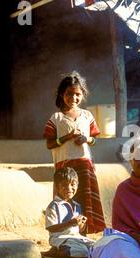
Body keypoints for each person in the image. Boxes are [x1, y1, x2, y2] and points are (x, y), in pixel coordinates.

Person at [43, 71, 105, 234]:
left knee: (84, 199)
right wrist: (67, 137)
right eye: (69, 94)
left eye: (77, 94)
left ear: (83, 95)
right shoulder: (56, 118)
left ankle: (82, 233)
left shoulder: (87, 116)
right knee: (66, 196)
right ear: (62, 94)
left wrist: (86, 139)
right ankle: (63, 232)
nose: (73, 98)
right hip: (64, 164)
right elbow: (50, 144)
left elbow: (95, 139)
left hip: (84, 164)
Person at [45, 167, 95, 258]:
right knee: (82, 251)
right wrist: (71, 223)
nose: (69, 188)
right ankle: (57, 251)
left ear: (77, 185)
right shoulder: (54, 205)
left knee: (96, 248)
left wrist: (81, 223)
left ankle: (65, 250)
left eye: (73, 184)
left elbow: (80, 230)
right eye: (64, 185)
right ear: (57, 187)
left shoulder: (77, 206)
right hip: (60, 238)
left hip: (76, 238)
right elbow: (51, 228)